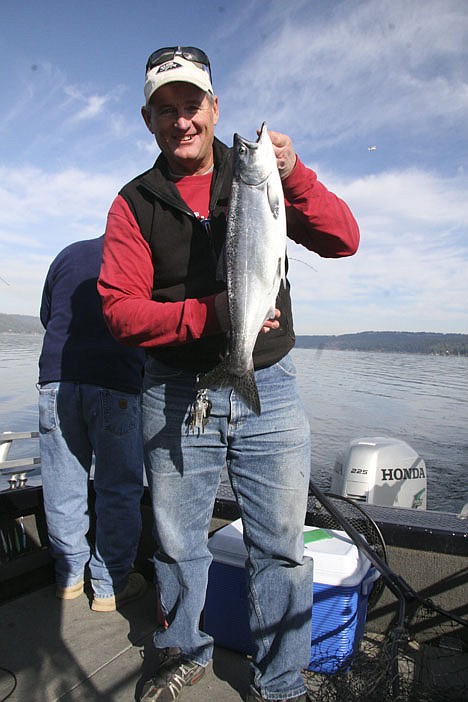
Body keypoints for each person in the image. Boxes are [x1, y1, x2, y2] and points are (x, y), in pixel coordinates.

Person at [98, 46, 360, 701]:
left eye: (192, 106)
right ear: (147, 120)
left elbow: (343, 238)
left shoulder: (259, 177)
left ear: (215, 110)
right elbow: (121, 312)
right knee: (180, 540)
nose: (180, 121)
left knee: (280, 545)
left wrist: (295, 172)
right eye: (165, 111)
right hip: (175, 389)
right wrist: (212, 314)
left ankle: (280, 681)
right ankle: (181, 651)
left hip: (269, 385)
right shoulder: (134, 203)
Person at [38, 235, 147, 612]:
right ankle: (109, 584)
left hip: (56, 382)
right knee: (117, 487)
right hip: (116, 380)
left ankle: (68, 578)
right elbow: (152, 326)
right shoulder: (142, 258)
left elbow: (47, 315)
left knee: (61, 483)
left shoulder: (67, 253)